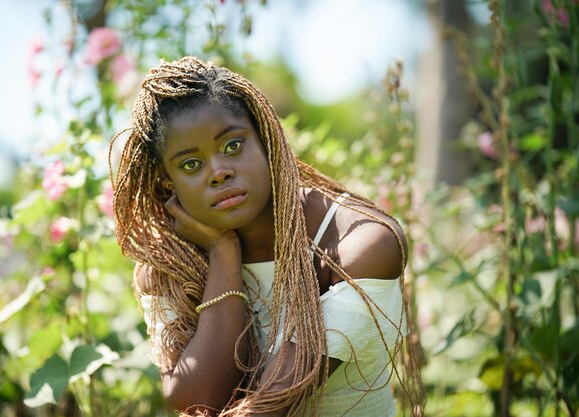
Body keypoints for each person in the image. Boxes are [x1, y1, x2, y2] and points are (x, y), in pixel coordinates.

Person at [110, 56, 424, 417]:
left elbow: (268, 406)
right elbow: (198, 399)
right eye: (191, 165)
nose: (219, 172)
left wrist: (221, 247)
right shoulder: (169, 268)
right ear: (169, 183)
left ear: (265, 138)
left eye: (232, 146)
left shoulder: (361, 244)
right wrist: (223, 250)